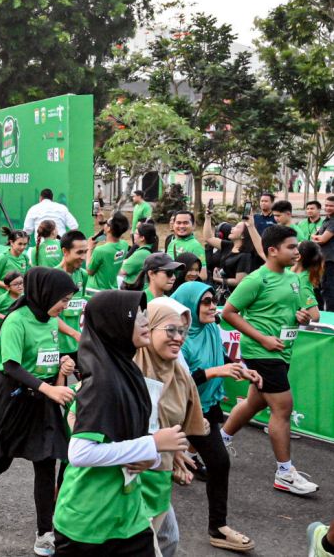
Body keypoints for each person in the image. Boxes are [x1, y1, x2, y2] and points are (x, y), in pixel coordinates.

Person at [52, 290, 190, 555]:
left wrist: (150, 457)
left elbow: (132, 442)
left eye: (146, 314)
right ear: (113, 324)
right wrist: (152, 445)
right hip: (89, 521)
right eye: (136, 315)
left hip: (127, 515)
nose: (145, 321)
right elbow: (79, 453)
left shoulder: (127, 372)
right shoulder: (101, 383)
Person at [0, 267, 78, 556]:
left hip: (42, 401)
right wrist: (49, 388)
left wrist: (63, 365)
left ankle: (45, 532)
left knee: (45, 462)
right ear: (45, 294)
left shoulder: (51, 320)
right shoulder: (16, 321)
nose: (65, 306)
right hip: (12, 399)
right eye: (62, 300)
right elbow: (12, 366)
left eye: (67, 301)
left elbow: (48, 358)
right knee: (1, 460)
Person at [220, 224, 319, 494]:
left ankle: (218, 441)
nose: (297, 251)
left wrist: (303, 317)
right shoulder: (256, 279)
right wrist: (262, 338)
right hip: (261, 353)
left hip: (282, 352)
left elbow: (305, 313)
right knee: (283, 408)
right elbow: (228, 313)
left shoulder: (293, 279)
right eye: (291, 246)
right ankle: (285, 473)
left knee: (253, 403)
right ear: (272, 251)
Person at [172, 281, 258, 552]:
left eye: (213, 301)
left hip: (204, 407)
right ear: (189, 305)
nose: (213, 307)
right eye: (205, 302)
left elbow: (220, 358)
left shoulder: (211, 328)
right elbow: (178, 383)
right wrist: (214, 372)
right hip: (174, 409)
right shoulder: (175, 336)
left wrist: (241, 370)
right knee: (150, 467)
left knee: (219, 462)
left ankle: (218, 528)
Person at [136, 298, 209, 557]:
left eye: (182, 331)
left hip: (158, 478)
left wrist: (175, 455)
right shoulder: (126, 368)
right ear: (150, 327)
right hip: (124, 479)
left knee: (168, 540)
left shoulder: (180, 375)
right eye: (171, 330)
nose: (179, 337)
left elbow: (172, 426)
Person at [56, 231, 90, 363]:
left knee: (89, 381)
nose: (83, 257)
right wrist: (74, 334)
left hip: (76, 345)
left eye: (85, 252)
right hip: (56, 347)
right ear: (65, 251)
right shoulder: (53, 277)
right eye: (79, 252)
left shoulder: (83, 275)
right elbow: (49, 316)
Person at [86, 213, 130, 291]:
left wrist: (89, 248)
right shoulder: (124, 245)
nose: (104, 225)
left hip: (96, 291)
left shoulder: (100, 250)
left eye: (106, 223)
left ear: (109, 229)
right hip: (113, 289)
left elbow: (89, 271)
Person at [119, 222, 158, 289]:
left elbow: (122, 271)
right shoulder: (147, 250)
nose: (134, 235)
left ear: (142, 238)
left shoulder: (141, 253)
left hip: (134, 290)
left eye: (136, 233)